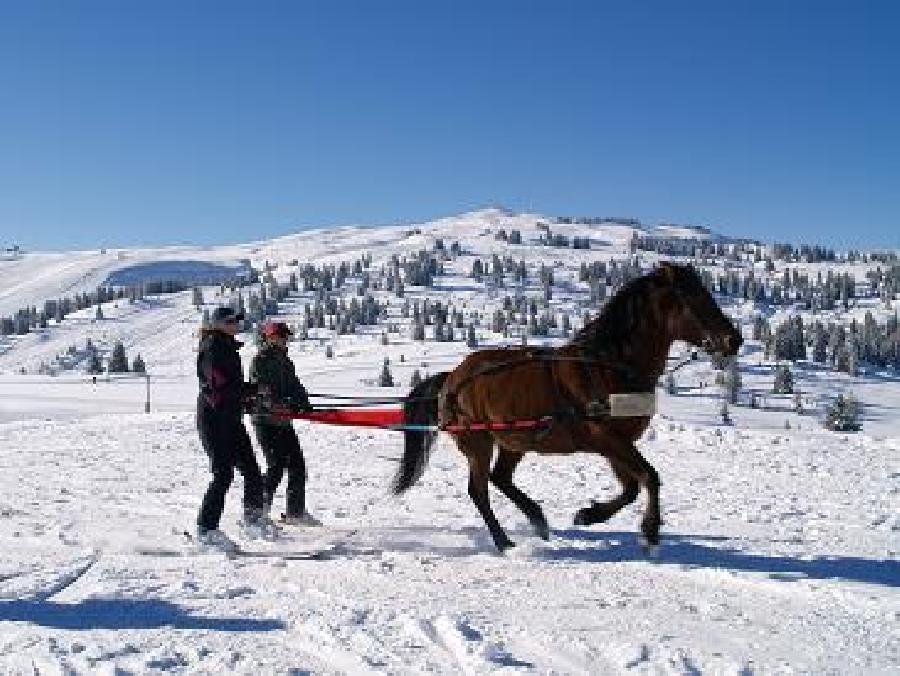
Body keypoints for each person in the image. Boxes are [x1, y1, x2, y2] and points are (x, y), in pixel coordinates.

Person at [195, 306, 266, 549]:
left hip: (231, 418)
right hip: (214, 420)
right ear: (218, 324)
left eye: (237, 319)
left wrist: (248, 395)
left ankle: (254, 522)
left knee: (252, 471)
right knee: (223, 474)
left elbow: (230, 386)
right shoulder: (212, 347)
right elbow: (217, 387)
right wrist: (248, 391)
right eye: (232, 320)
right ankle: (205, 530)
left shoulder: (226, 346)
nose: (237, 323)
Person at [250, 320, 320, 525]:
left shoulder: (285, 361)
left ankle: (295, 513)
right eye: (282, 336)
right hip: (265, 420)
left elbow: (295, 386)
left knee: (297, 465)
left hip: (284, 421)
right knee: (276, 466)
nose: (285, 340)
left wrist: (304, 404)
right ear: (270, 337)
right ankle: (258, 512)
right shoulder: (260, 360)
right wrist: (282, 403)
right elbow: (261, 390)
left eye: (286, 336)